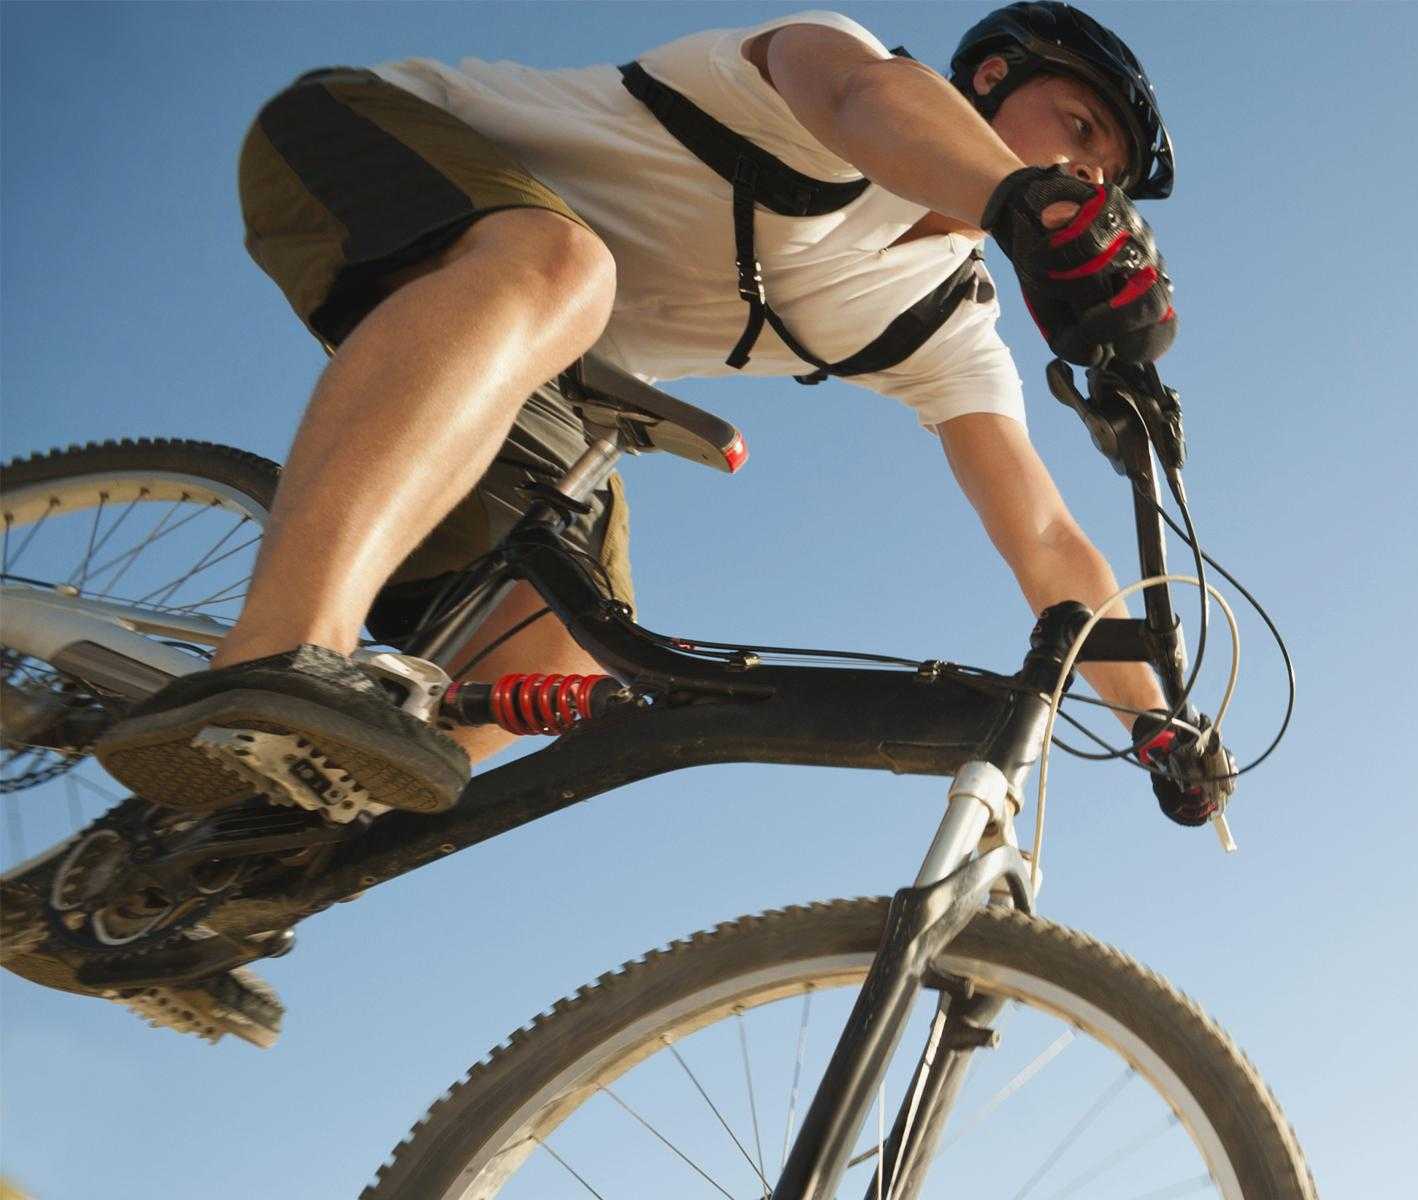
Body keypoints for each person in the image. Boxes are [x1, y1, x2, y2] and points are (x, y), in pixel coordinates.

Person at [95, 3, 1204, 818]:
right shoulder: (843, 65)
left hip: (539, 375)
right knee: (561, 268)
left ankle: (215, 860)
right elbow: (865, 103)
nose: (1087, 173)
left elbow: (1045, 535)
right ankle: (280, 649)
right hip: (375, 141)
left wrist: (1154, 720)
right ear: (994, 75)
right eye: (1078, 128)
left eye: (1105, 174)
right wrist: (1017, 196)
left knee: (565, 649)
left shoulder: (944, 318)